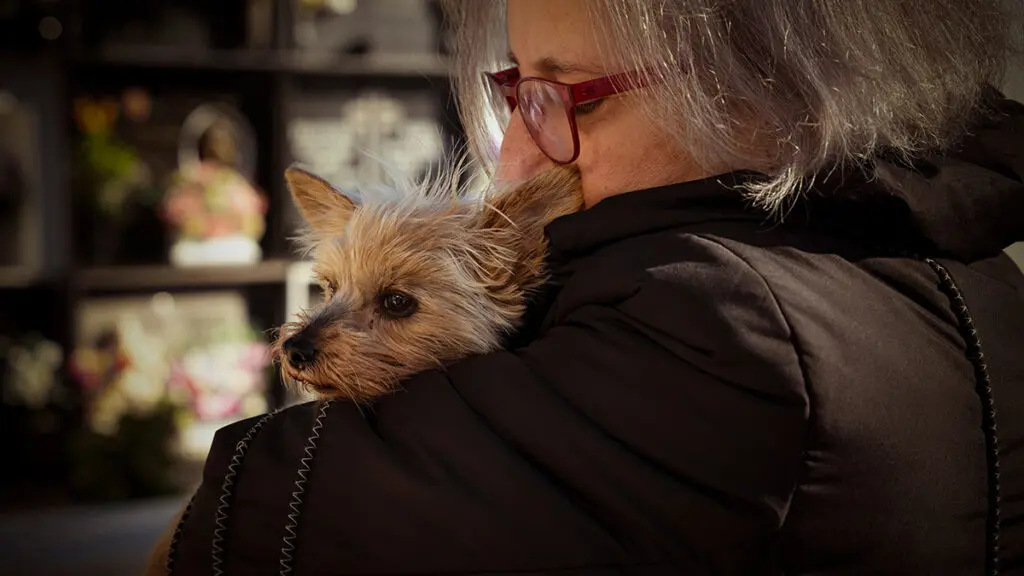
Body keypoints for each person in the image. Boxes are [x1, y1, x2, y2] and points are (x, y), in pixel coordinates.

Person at [154, 0, 1024, 574]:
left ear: (767, 90)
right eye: (516, 93)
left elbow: (244, 531)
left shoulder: (714, 313)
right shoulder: (971, 272)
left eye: (569, 95)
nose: (517, 158)